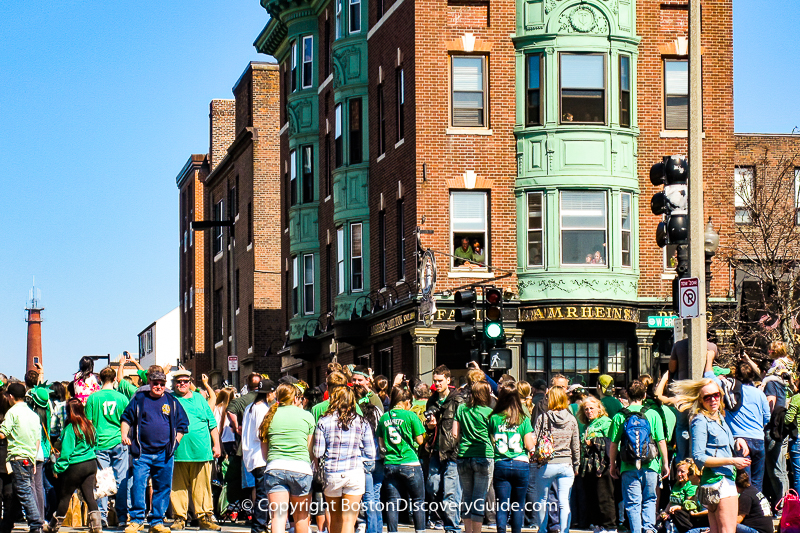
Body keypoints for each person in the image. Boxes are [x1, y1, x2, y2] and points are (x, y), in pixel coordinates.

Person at [672, 377, 751, 533]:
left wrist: (737, 440)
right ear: (701, 400)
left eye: (716, 395)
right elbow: (699, 457)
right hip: (720, 481)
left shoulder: (718, 417)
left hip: (716, 482)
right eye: (707, 397)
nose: (713, 399)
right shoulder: (700, 420)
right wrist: (732, 461)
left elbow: (718, 443)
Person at [120, 367, 189, 533]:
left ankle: (157, 521)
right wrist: (124, 434)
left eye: (161, 383)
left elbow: (183, 424)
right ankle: (136, 520)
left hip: (164, 454)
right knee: (138, 485)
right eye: (155, 383)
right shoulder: (140, 399)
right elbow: (126, 418)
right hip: (142, 453)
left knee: (162, 487)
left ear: (165, 384)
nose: (158, 386)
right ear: (149, 383)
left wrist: (175, 444)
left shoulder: (172, 401)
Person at [608, 380, 669, 533]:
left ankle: (636, 530)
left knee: (633, 503)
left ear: (627, 394)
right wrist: (665, 463)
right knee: (650, 499)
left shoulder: (619, 416)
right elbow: (661, 441)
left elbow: (614, 444)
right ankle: (648, 528)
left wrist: (612, 465)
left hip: (628, 465)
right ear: (644, 395)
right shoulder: (653, 414)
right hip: (650, 464)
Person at [313, 386, 376, 533]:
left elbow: (318, 451)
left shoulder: (324, 421)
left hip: (332, 473)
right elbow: (371, 452)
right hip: (354, 472)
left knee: (335, 517)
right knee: (349, 519)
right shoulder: (362, 422)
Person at [258, 382, 315, 533]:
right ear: (296, 398)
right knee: (301, 517)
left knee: (278, 517)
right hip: (301, 469)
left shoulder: (269, 416)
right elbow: (310, 450)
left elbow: (264, 454)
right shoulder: (306, 416)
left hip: (275, 468)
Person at [169, 370, 221, 531]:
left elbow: (211, 424)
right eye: (179, 381)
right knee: (177, 487)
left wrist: (217, 444)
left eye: (185, 381)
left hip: (201, 451)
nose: (182, 384)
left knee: (203, 487)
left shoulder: (199, 398)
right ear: (174, 383)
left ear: (190, 382)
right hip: (178, 452)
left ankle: (205, 517)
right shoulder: (169, 399)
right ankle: (179, 517)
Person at [45, 398, 101, 533]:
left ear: (68, 412)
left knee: (65, 496)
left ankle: (53, 526)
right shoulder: (89, 425)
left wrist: (57, 468)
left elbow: (66, 453)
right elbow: (96, 443)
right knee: (89, 496)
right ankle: (97, 526)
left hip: (76, 466)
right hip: (91, 463)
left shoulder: (71, 429)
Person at [85, 367, 130, 527]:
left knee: (102, 481)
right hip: (119, 440)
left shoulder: (93, 398)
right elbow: (127, 420)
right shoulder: (122, 398)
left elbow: (88, 424)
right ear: (114, 379)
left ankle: (102, 517)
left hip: (99, 442)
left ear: (99, 379)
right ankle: (122, 517)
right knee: (121, 479)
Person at [377, 386, 426, 533]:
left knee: (392, 502)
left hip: (390, 463)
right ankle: (420, 531)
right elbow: (420, 440)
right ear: (404, 402)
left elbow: (380, 442)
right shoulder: (411, 416)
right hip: (410, 462)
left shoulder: (385, 417)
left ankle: (392, 531)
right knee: (418, 501)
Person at [531, 386, 578, 533]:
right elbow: (575, 445)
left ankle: (543, 529)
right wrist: (576, 465)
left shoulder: (543, 417)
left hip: (547, 463)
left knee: (542, 500)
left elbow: (535, 440)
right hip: (566, 464)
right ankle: (564, 530)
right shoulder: (571, 419)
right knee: (564, 501)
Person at [489, 381, 533, 533]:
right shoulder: (523, 418)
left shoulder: (494, 418)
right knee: (518, 505)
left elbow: (491, 439)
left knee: (502, 504)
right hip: (521, 463)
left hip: (501, 463)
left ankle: (501, 530)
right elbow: (529, 445)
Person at [425, 365, 465, 533]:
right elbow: (428, 427)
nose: (437, 384)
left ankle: (452, 527)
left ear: (448, 381)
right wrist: (430, 426)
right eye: (435, 381)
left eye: (440, 381)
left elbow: (463, 426)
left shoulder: (458, 401)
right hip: (435, 451)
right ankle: (443, 518)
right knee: (432, 487)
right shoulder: (432, 400)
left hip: (452, 453)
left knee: (451, 492)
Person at [0, 382, 43, 533]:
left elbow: (2, 433)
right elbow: (37, 439)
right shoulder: (33, 414)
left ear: (11, 397)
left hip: (17, 456)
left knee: (24, 491)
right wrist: (33, 458)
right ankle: (7, 524)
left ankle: (36, 523)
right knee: (19, 491)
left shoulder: (12, 413)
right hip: (30, 456)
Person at [454, 378, 495, 533]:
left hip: (464, 455)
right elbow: (494, 436)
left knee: (467, 496)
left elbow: (454, 433)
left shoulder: (461, 409)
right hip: (484, 456)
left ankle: (468, 530)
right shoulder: (489, 412)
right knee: (479, 498)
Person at [577, 396, 615, 533]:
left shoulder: (606, 422)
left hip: (603, 466)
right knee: (593, 496)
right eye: (586, 409)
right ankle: (598, 524)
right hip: (589, 466)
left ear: (599, 409)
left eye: (591, 408)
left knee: (604, 496)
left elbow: (612, 442)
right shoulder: (587, 425)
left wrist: (594, 441)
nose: (589, 411)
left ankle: (610, 526)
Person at [241, 379, 274, 533]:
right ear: (268, 393)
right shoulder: (263, 409)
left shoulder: (250, 407)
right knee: (262, 495)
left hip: (250, 454)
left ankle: (260, 524)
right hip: (260, 455)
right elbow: (261, 434)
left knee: (261, 493)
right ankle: (259, 526)